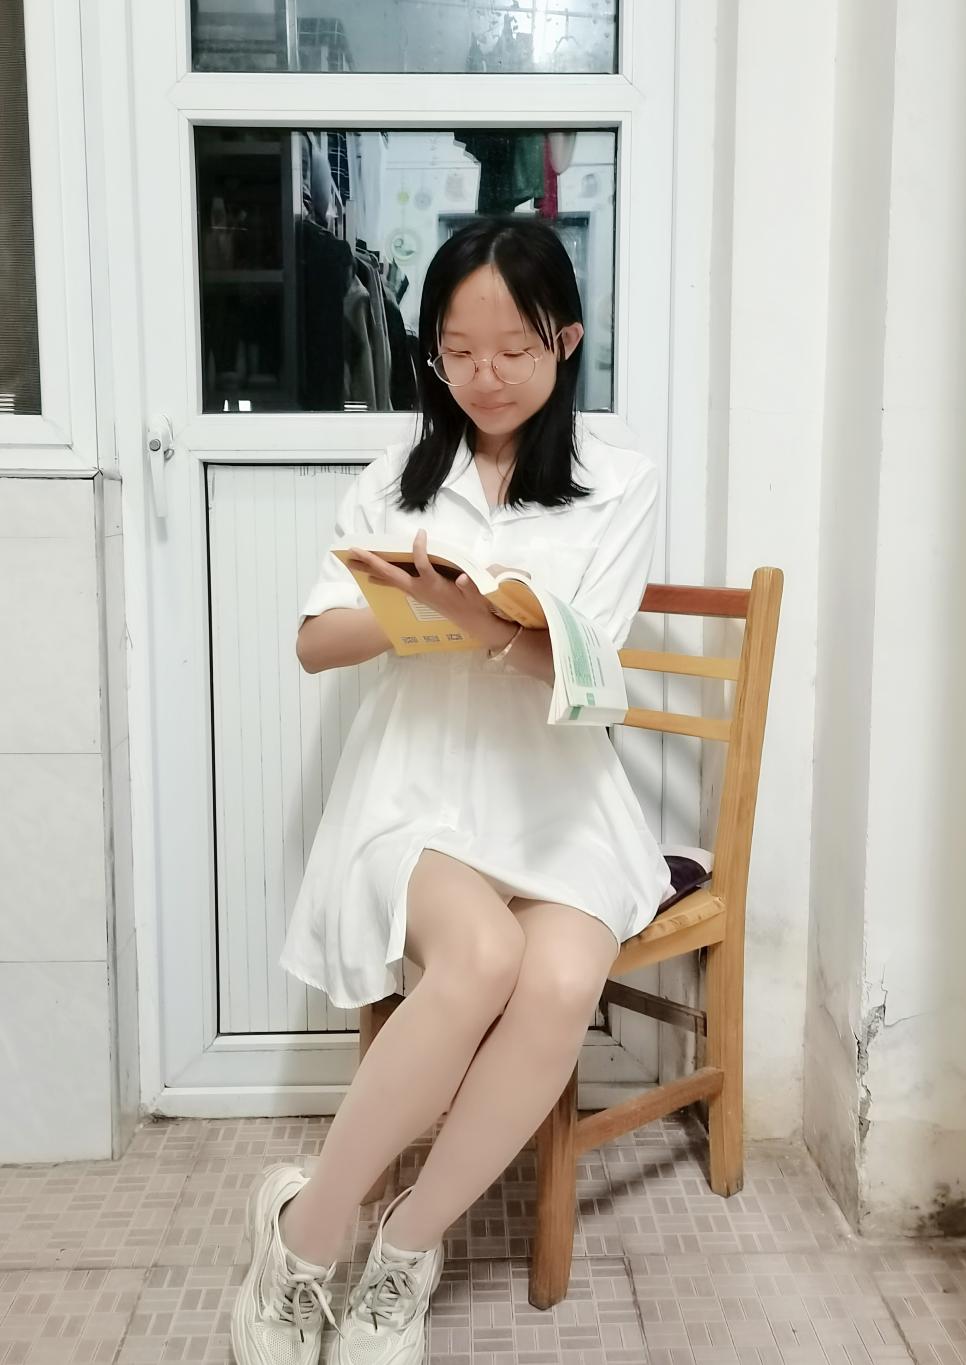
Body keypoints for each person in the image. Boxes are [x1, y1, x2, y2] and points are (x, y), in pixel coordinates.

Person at [230, 216, 673, 1365]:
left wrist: (487, 622)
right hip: (415, 794)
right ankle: (303, 1242)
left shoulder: (619, 484)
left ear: (564, 340)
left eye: (514, 349)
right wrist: (411, 609)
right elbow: (313, 645)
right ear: (429, 352)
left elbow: (593, 677)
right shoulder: (394, 481)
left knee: (560, 977)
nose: (487, 376)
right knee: (479, 958)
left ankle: (404, 1254)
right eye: (459, 352)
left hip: (557, 802)